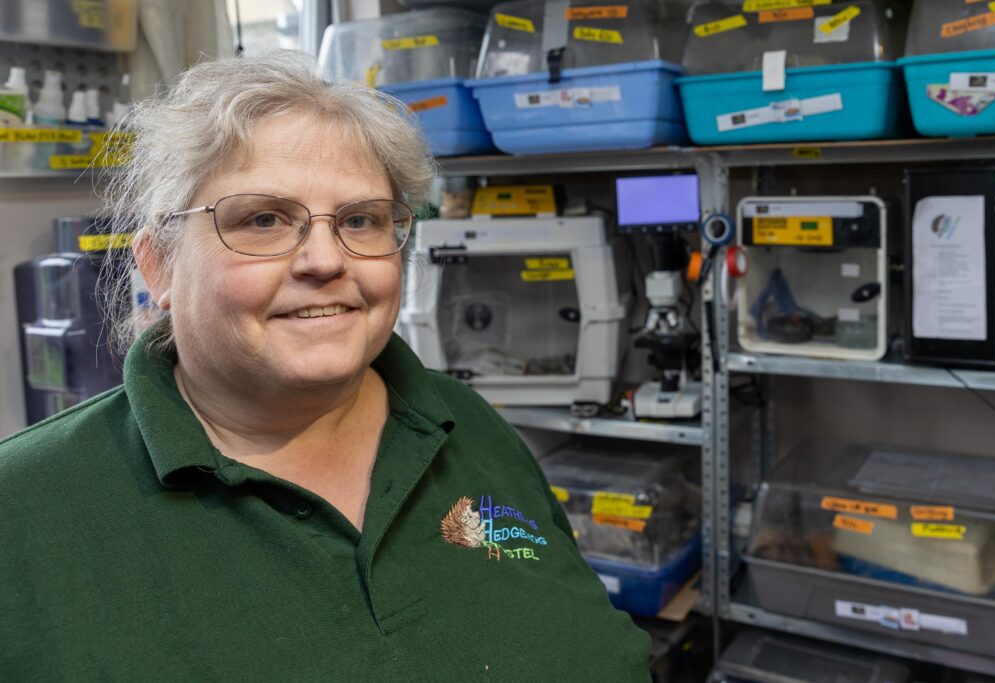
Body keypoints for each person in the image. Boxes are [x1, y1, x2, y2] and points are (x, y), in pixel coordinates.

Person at [0, 51, 651, 679]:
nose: (324, 260)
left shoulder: (467, 424)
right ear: (159, 264)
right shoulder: (23, 507)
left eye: (361, 220)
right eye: (262, 219)